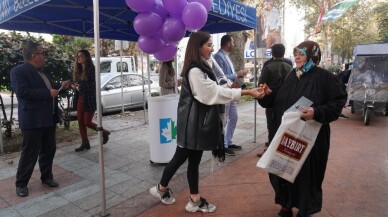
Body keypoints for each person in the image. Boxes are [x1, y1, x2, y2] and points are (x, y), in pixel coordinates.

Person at [149, 31, 265, 213]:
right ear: (198, 47)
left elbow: (216, 87)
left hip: (195, 124)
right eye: (209, 45)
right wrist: (246, 92)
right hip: (192, 124)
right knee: (181, 158)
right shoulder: (195, 70)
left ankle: (189, 198)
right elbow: (210, 93)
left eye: (211, 44)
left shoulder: (203, 65)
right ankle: (162, 189)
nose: (212, 48)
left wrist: (235, 87)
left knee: (191, 160)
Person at [258, 41, 347, 217]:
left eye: (302, 53)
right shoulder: (291, 75)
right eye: (295, 53)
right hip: (287, 135)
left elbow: (337, 102)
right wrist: (268, 95)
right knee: (281, 169)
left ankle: (305, 209)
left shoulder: (325, 77)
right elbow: (276, 99)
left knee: (307, 174)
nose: (297, 56)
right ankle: (286, 204)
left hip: (311, 137)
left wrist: (317, 112)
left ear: (313, 56)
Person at [10, 42, 70, 197]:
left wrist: (60, 86)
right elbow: (23, 92)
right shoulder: (18, 71)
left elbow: (48, 90)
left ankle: (47, 177)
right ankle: (21, 184)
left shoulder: (41, 72)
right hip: (32, 120)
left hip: (48, 119)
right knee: (30, 153)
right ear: (34, 55)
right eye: (43, 53)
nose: (45, 57)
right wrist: (47, 93)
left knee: (48, 150)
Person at [256, 43, 293, 157]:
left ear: (272, 53)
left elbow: (261, 84)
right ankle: (282, 150)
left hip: (271, 102)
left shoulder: (268, 66)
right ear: (284, 52)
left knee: (272, 126)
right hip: (286, 103)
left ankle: (271, 151)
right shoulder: (290, 67)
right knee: (284, 125)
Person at [213, 35, 246, 156]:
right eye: (232, 41)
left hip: (230, 91)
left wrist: (236, 77)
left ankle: (228, 141)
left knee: (234, 117)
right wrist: (237, 74)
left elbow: (228, 75)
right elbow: (220, 77)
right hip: (224, 92)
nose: (234, 44)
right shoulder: (218, 56)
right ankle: (222, 145)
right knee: (224, 119)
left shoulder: (225, 56)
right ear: (228, 43)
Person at [71, 50, 110, 152]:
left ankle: (104, 132)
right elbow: (77, 83)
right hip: (80, 97)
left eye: (81, 56)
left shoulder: (92, 69)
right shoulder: (78, 69)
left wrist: (79, 87)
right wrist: (73, 85)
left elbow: (93, 85)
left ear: (86, 57)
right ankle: (85, 142)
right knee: (80, 121)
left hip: (90, 99)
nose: (78, 58)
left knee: (87, 122)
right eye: (77, 56)